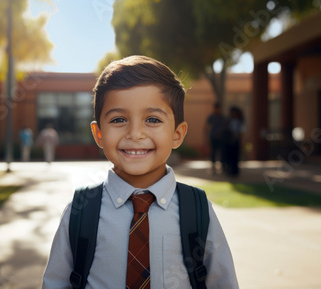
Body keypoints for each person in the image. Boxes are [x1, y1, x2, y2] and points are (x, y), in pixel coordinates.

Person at [42, 56, 238, 288]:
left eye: (153, 119)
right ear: (99, 134)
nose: (135, 133)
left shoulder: (197, 209)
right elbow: (55, 282)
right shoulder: (80, 210)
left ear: (177, 133)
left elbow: (223, 282)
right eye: (119, 119)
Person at [204, 101, 228, 174]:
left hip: (221, 138)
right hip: (213, 137)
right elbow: (207, 127)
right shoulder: (211, 117)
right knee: (213, 153)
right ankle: (213, 167)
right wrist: (206, 137)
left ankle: (223, 167)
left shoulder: (222, 117)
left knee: (222, 153)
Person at [222, 106, 245, 177]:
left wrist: (241, 141)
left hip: (236, 141)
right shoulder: (228, 121)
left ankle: (235, 172)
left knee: (235, 157)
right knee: (229, 157)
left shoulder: (240, 121)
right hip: (228, 141)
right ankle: (229, 170)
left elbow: (242, 132)